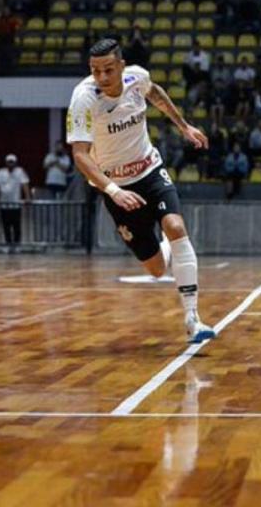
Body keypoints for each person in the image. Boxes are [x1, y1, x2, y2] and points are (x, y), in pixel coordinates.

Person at [67, 38, 216, 343]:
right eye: (95, 71)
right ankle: (160, 247)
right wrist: (112, 191)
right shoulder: (83, 99)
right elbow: (80, 155)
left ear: (121, 66)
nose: (102, 77)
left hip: (149, 170)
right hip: (116, 187)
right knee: (157, 270)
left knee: (175, 225)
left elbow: (156, 93)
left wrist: (184, 126)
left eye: (109, 70)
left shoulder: (137, 77)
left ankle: (193, 318)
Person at [0, 154, 31, 245]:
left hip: (15, 205)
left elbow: (25, 184)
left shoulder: (20, 172)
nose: (10, 164)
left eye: (12, 162)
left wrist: (27, 197)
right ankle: (8, 243)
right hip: (4, 205)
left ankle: (17, 244)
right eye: (9, 162)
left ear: (15, 163)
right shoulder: (1, 172)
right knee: (6, 226)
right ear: (6, 162)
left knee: (16, 226)